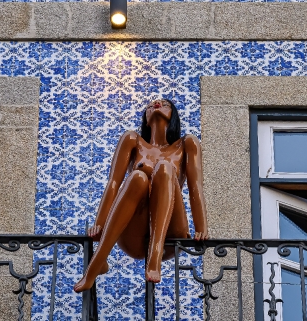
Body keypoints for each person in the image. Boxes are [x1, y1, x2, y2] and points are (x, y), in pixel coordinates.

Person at [73, 98, 209, 292]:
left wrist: (201, 227)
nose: (156, 105)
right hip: (134, 237)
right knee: (137, 177)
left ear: (173, 115)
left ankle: (155, 254)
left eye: (165, 104)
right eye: (150, 105)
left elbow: (196, 187)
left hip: (171, 232)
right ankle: (98, 262)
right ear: (146, 119)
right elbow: (113, 183)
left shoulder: (187, 144)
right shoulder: (132, 140)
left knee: (164, 168)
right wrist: (99, 225)